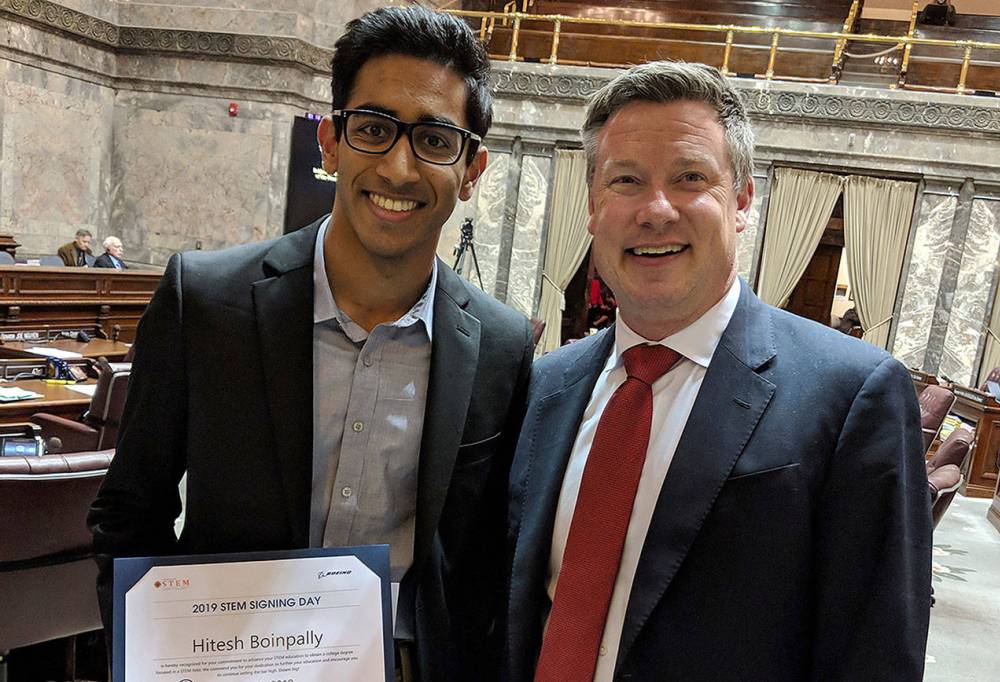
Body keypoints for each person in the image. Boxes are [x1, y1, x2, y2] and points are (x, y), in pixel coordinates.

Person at [89, 7, 533, 681]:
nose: (400, 168)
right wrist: (152, 655)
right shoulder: (206, 301)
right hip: (220, 663)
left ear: (472, 170)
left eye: (436, 141)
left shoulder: (502, 346)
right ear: (330, 143)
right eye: (375, 130)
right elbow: (130, 510)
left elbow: (486, 563)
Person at [505, 61, 931, 681]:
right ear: (593, 205)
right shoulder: (548, 384)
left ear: (741, 200)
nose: (656, 210)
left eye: (689, 178)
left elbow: (874, 654)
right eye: (626, 180)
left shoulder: (853, 394)